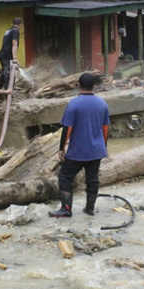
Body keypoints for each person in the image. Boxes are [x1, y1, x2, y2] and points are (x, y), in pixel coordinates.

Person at [49, 73, 110, 218]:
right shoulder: (102, 104)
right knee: (92, 179)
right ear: (94, 86)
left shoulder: (74, 104)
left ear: (78, 86)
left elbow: (67, 128)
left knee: (64, 177)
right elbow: (105, 128)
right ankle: (89, 208)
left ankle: (66, 208)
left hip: (78, 151)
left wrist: (61, 148)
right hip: (96, 150)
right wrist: (103, 145)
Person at [0, 17, 22, 88]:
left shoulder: (8, 30)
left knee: (4, 73)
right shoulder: (15, 31)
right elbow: (14, 44)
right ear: (20, 25)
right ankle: (8, 93)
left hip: (3, 55)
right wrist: (15, 58)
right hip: (7, 56)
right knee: (9, 75)